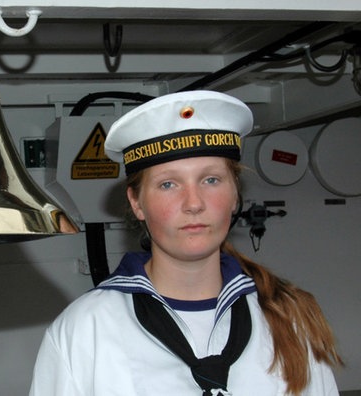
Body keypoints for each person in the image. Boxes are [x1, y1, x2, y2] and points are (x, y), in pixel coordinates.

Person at [28, 90, 343, 395]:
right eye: (168, 184)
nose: (194, 203)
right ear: (137, 203)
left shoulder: (288, 320)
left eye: (210, 180)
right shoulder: (85, 331)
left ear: (235, 194)